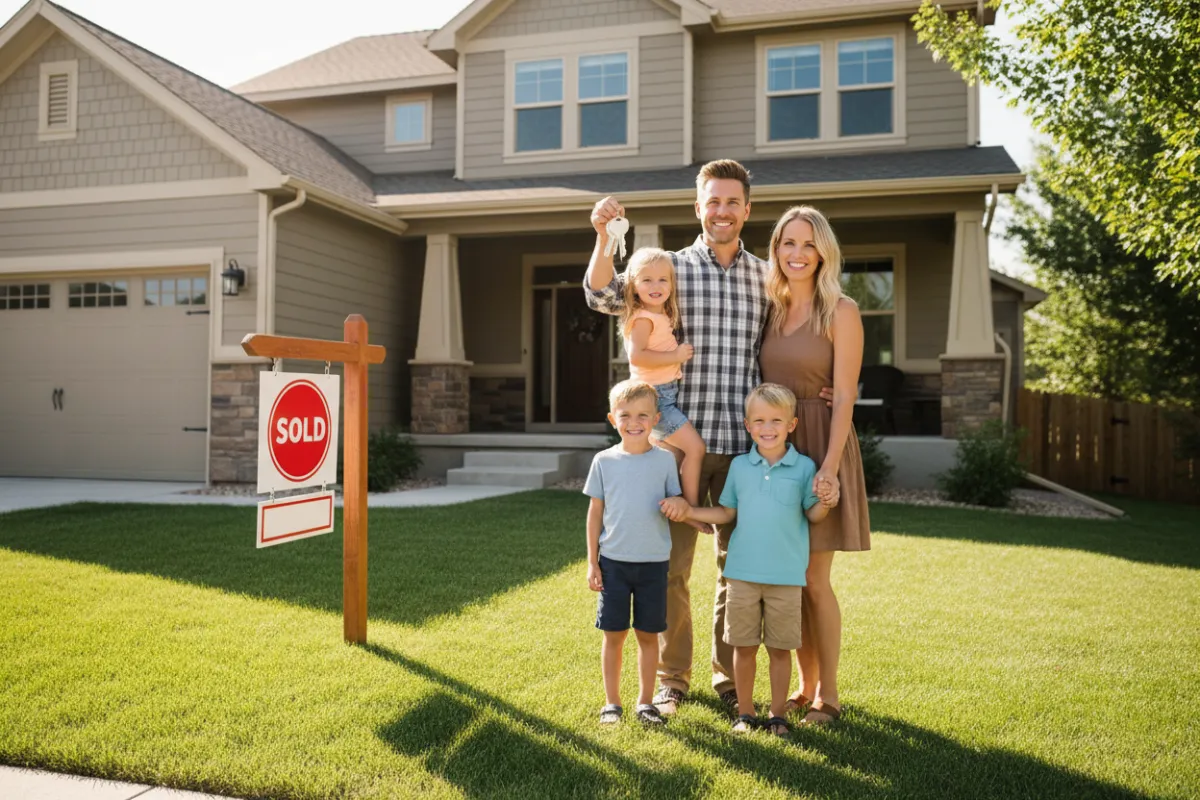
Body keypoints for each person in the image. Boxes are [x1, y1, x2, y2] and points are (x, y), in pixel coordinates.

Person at [585, 159, 770, 717]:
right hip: (676, 448)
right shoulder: (669, 269)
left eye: (732, 202)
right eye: (712, 201)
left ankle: (728, 678)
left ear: (746, 210)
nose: (722, 211)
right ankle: (672, 679)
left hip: (741, 449)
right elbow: (600, 296)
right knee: (671, 571)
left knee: (736, 571)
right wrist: (600, 236)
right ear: (698, 207)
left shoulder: (766, 276)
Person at [661, 383, 838, 736]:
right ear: (747, 425)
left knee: (779, 649)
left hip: (786, 578)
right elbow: (727, 512)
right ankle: (744, 713)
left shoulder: (804, 468)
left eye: (776, 420)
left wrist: (826, 502)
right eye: (759, 421)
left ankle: (776, 715)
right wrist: (689, 511)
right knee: (742, 647)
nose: (767, 428)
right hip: (741, 575)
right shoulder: (740, 467)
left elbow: (813, 515)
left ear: (792, 425)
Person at [758, 205, 872, 726]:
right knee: (790, 575)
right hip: (778, 449)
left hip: (824, 439)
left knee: (814, 575)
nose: (797, 254)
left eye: (808, 244)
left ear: (823, 250)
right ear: (776, 250)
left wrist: (828, 467)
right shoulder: (770, 308)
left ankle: (829, 694)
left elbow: (845, 392)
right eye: (787, 243)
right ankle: (803, 688)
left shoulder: (841, 310)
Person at [583, 379, 682, 727]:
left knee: (647, 634)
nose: (634, 422)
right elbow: (595, 513)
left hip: (654, 564)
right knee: (614, 635)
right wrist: (592, 561)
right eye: (625, 415)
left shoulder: (666, 461)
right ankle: (612, 704)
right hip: (613, 565)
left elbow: (676, 500)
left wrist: (679, 505)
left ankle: (645, 703)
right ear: (613, 419)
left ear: (655, 419)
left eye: (643, 415)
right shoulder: (604, 461)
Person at [618, 246, 707, 524]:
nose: (655, 286)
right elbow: (637, 356)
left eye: (662, 280)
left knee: (669, 458)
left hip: (664, 395)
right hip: (656, 399)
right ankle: (689, 510)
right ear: (633, 285)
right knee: (695, 450)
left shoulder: (660, 315)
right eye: (646, 280)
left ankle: (668, 505)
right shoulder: (643, 318)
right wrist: (676, 356)